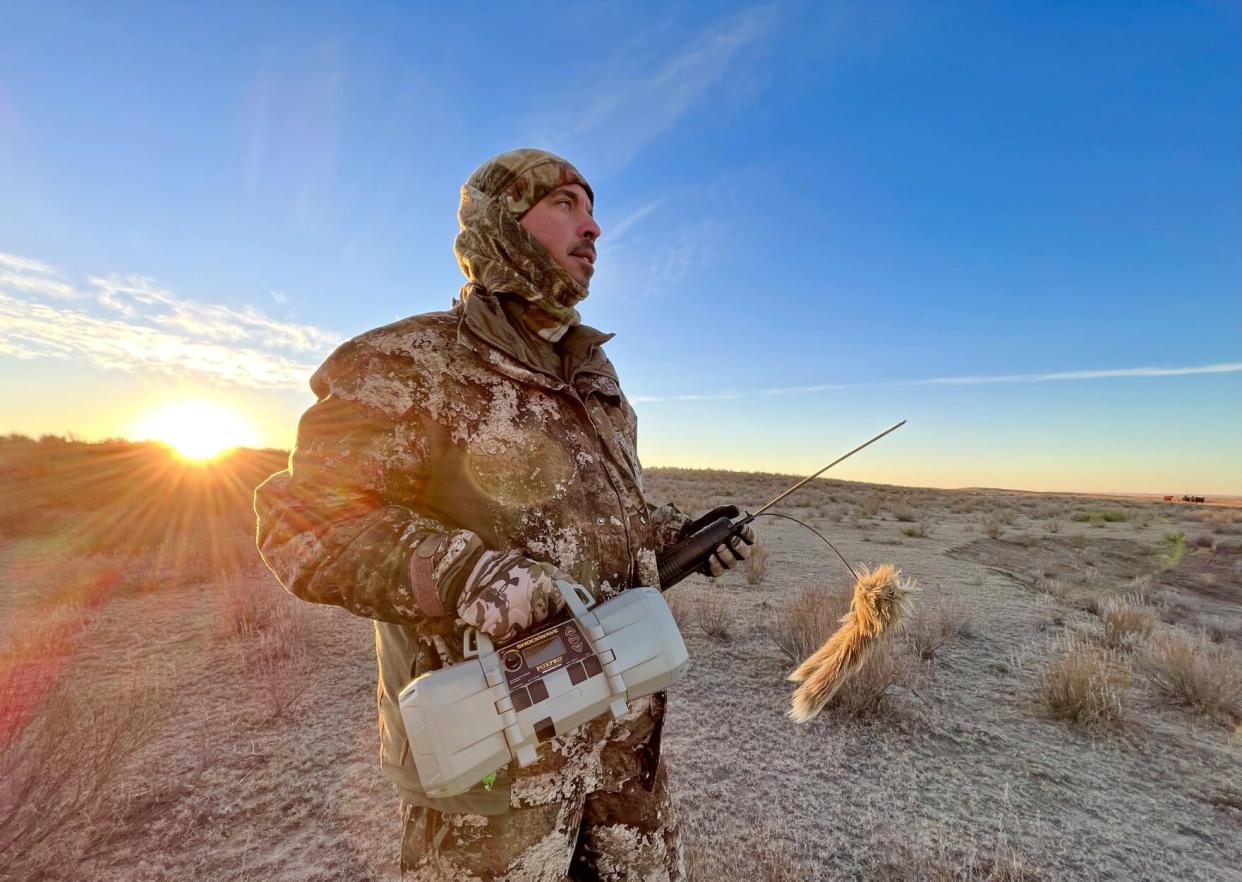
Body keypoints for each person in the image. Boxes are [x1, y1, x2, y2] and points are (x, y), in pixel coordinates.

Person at [254, 148, 753, 881]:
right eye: (566, 205)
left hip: (623, 758)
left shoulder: (595, 375)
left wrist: (674, 537)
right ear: (502, 224)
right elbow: (301, 525)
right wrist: (468, 575)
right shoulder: (407, 362)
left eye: (591, 207)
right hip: (491, 777)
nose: (594, 228)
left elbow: (597, 518)